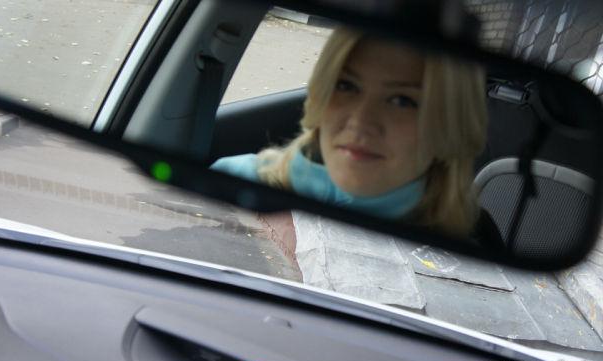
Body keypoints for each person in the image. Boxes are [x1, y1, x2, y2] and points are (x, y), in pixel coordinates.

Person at [212, 26, 499, 244]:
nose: (361, 122)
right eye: (346, 86)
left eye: (402, 101)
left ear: (449, 126)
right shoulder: (232, 179)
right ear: (320, 97)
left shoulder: (473, 236)